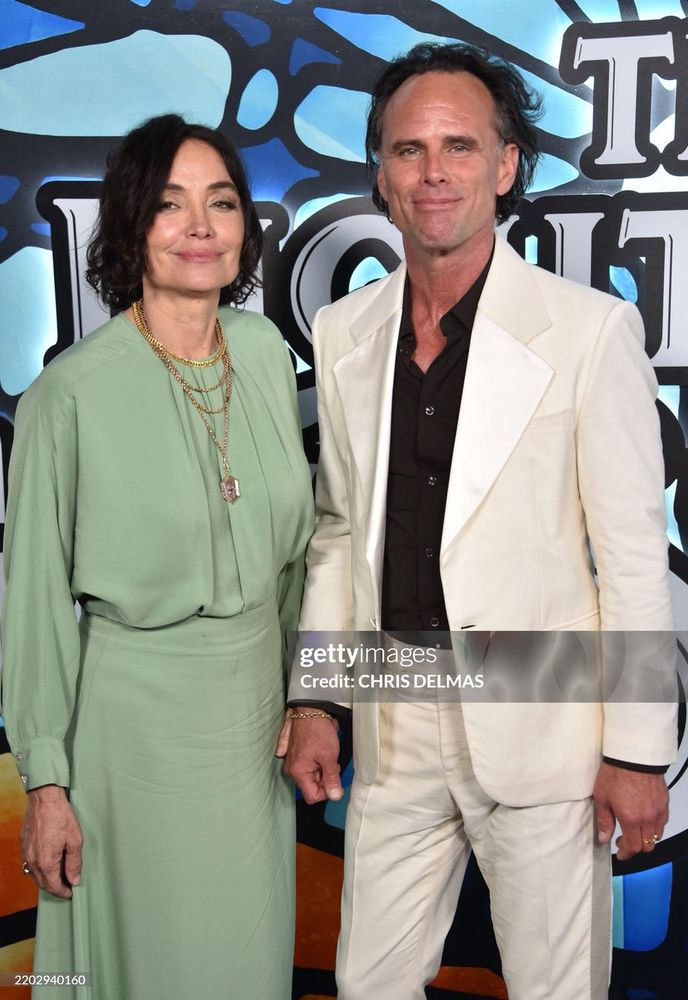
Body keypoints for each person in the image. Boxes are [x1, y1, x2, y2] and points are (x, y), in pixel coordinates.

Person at [278, 43, 677, 999]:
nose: (434, 172)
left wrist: (636, 751)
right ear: (380, 174)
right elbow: (339, 529)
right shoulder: (344, 333)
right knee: (368, 982)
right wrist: (320, 697)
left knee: (554, 988)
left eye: (460, 145)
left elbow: (631, 556)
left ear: (504, 166)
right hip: (396, 716)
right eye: (409, 150)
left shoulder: (588, 331)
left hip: (543, 722)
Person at [1, 114, 313, 1000]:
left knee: (244, 966)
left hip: (254, 729)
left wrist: (304, 688)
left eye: (221, 202)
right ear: (133, 224)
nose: (201, 227)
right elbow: (32, 609)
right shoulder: (67, 395)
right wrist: (48, 783)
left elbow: (297, 552)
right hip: (128, 739)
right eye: (171, 205)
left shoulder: (263, 352)